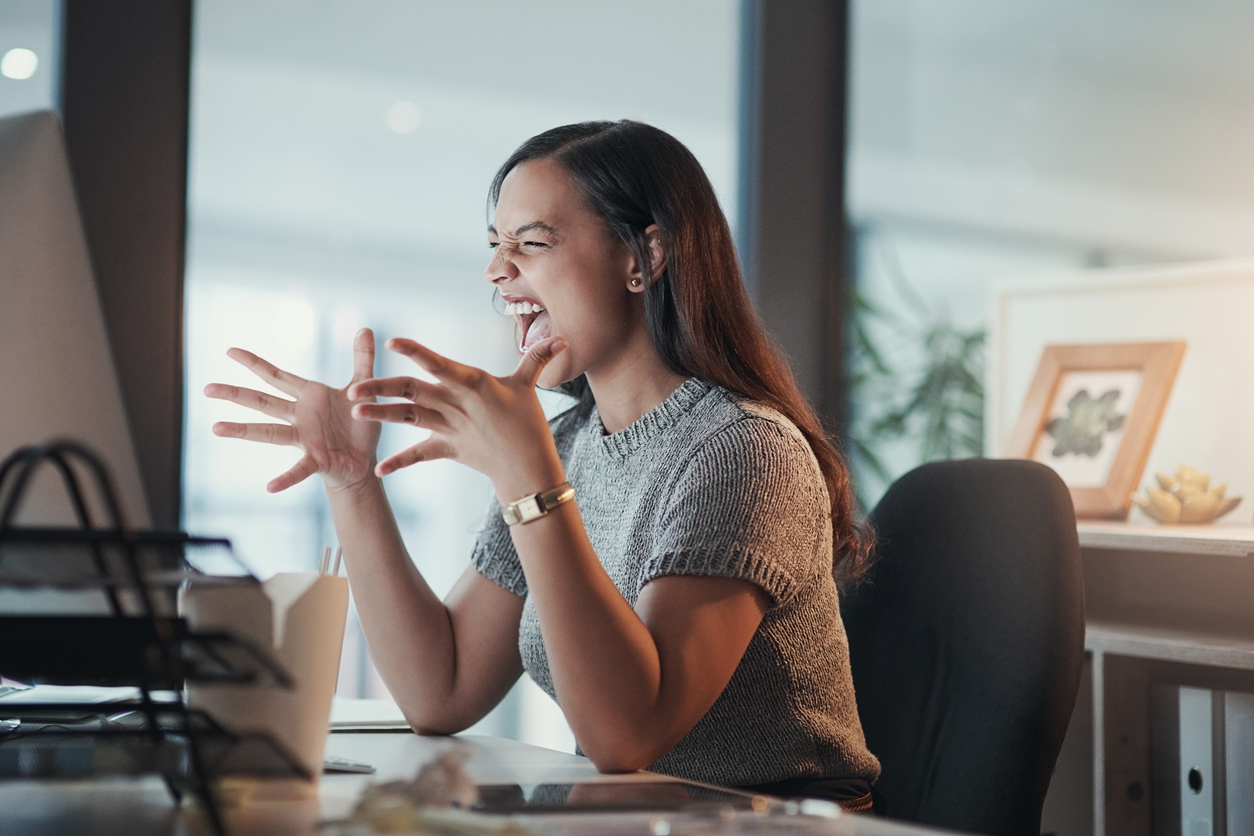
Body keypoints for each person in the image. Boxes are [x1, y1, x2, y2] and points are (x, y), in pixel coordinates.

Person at [205, 121, 882, 811]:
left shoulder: (743, 451)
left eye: (531, 243)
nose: (497, 272)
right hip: (639, 818)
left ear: (642, 257)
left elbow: (627, 736)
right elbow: (441, 689)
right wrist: (351, 482)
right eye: (496, 247)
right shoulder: (566, 443)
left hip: (774, 824)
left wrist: (529, 481)